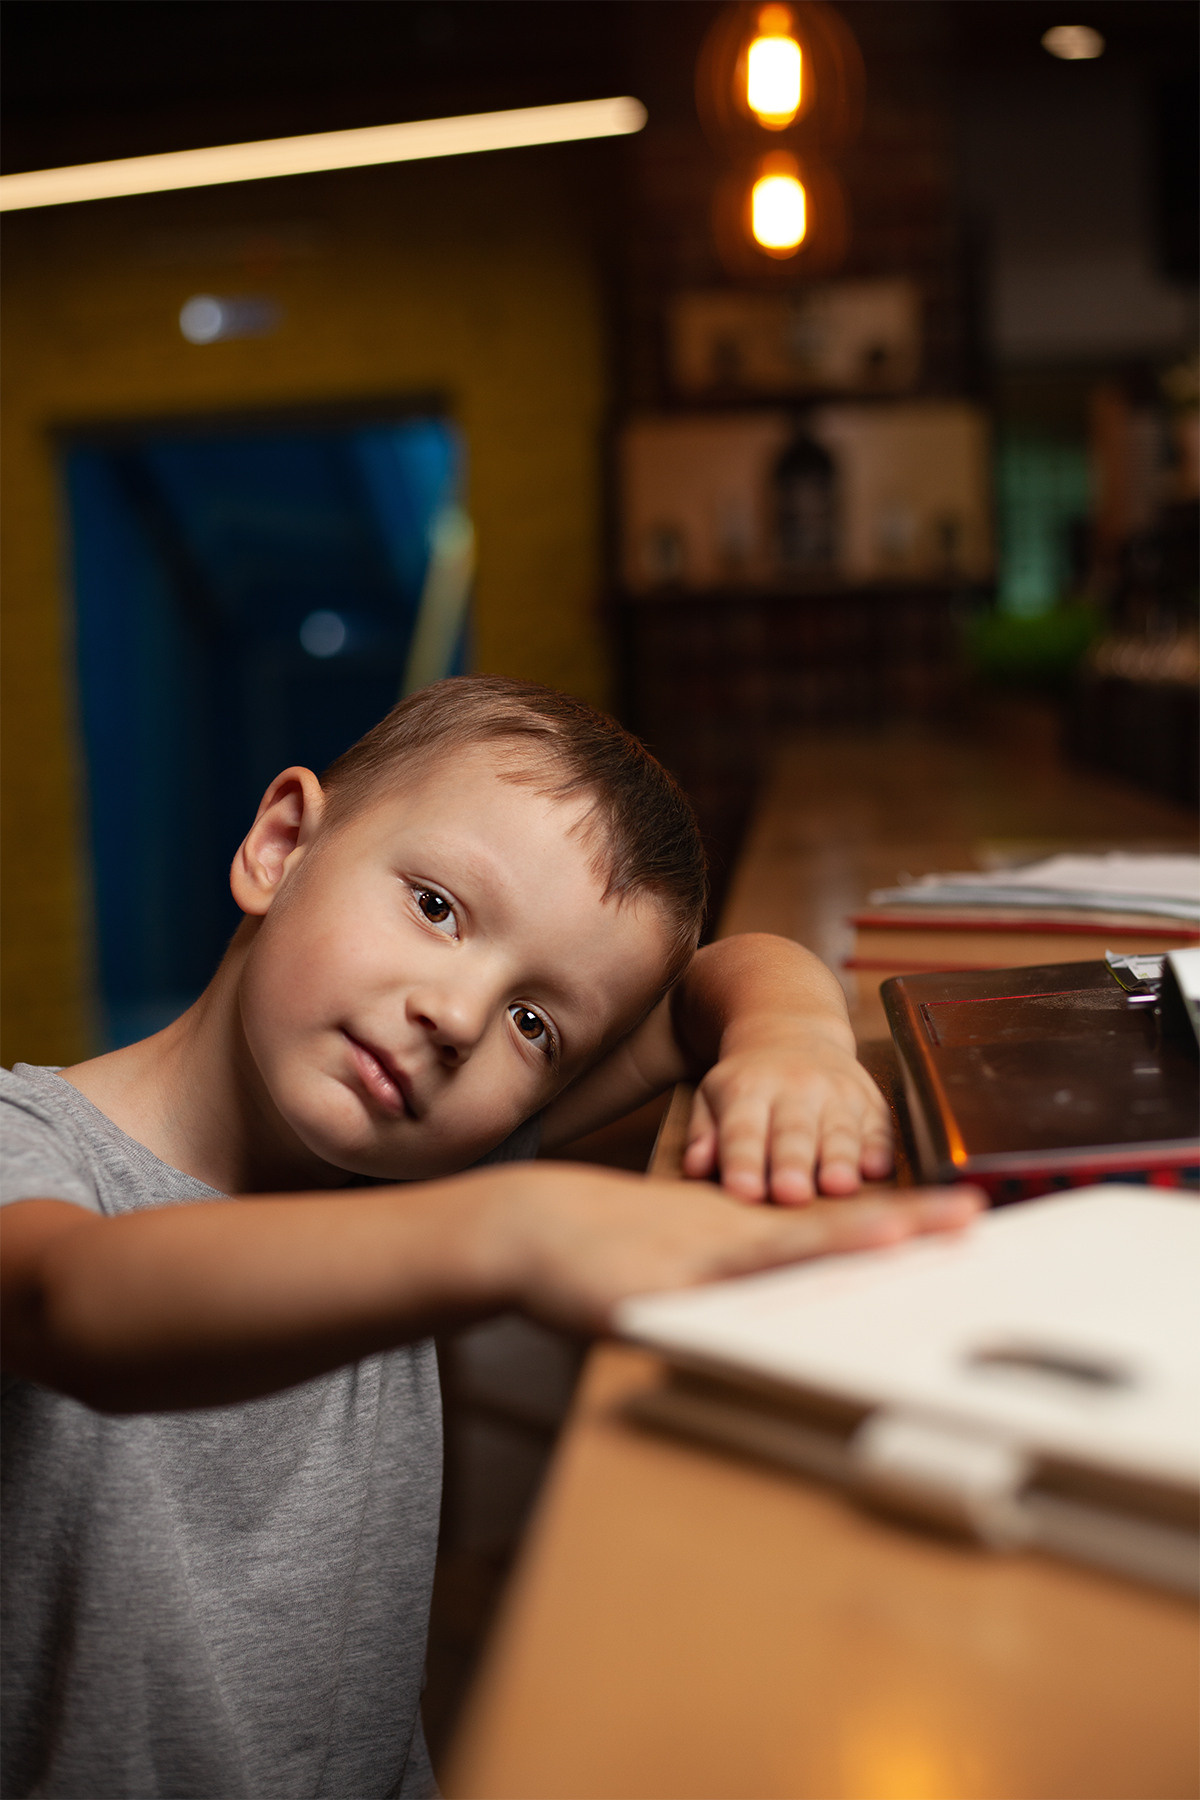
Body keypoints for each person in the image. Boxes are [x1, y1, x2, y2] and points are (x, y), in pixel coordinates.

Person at [0, 677, 978, 1800]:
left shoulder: (408, 1147)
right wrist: (520, 1229)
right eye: (437, 907)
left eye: (534, 1025)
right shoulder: (29, 1145)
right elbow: (67, 1305)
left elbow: (723, 974)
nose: (458, 1019)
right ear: (280, 845)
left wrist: (793, 1043)